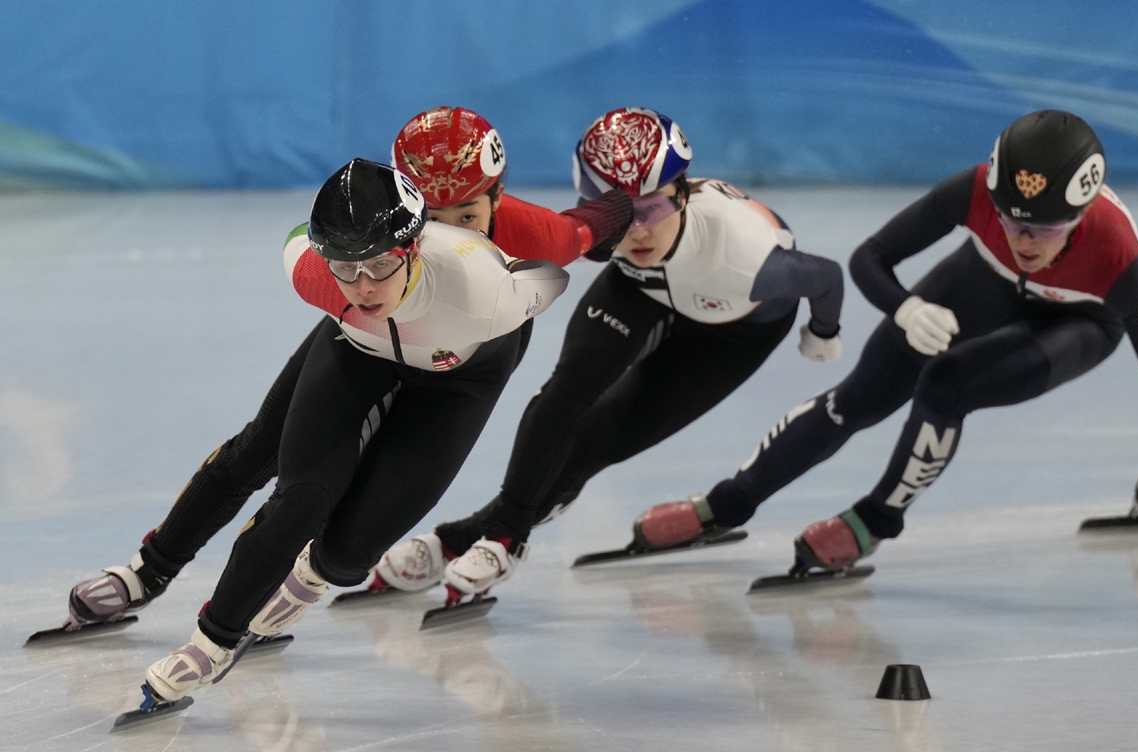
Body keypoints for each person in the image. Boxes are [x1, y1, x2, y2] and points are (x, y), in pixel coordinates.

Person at [65, 107, 632, 629]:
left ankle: (281, 589)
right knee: (261, 448)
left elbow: (594, 222)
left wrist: (633, 209)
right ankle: (151, 569)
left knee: (372, 493)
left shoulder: (534, 233)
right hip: (370, 328)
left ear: (498, 198)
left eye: (468, 214)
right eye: (432, 218)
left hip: (462, 365)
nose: (450, 231)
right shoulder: (377, 256)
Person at [635, 110, 1138, 598]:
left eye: (1045, 228)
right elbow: (870, 257)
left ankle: (875, 518)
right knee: (855, 398)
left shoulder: (1116, 251)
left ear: (1079, 216)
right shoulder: (977, 189)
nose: (1025, 241)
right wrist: (905, 309)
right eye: (1011, 221)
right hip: (982, 282)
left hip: (1081, 319)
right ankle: (724, 506)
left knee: (946, 385)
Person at [140, 158, 577, 701]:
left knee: (348, 555)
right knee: (297, 500)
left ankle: (310, 577)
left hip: (459, 379)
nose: (363, 285)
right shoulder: (314, 274)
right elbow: (304, 239)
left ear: (413, 248)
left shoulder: (488, 290)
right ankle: (211, 644)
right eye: (345, 267)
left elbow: (557, 266)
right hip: (359, 352)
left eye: (379, 266)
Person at [371, 107, 845, 601]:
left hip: (732, 332)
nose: (636, 231)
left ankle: (464, 537)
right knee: (566, 393)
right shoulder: (617, 237)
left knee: (595, 443)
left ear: (682, 194)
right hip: (641, 288)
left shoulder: (750, 257)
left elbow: (827, 277)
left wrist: (823, 332)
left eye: (652, 210)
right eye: (621, 212)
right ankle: (507, 536)